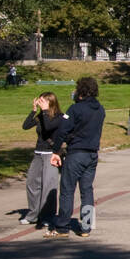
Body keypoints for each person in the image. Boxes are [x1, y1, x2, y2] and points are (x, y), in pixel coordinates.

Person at [46, 76, 105, 238]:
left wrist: (56, 151)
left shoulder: (75, 109)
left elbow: (63, 131)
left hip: (76, 153)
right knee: (87, 190)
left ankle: (62, 227)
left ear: (81, 91)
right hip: (92, 154)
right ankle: (86, 227)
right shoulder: (100, 109)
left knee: (67, 190)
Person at [20, 91, 62, 227]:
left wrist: (44, 111)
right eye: (40, 100)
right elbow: (25, 126)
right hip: (38, 153)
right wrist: (33, 111)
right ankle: (33, 214)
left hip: (51, 154)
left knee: (48, 185)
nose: (40, 103)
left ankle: (47, 216)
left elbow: (49, 127)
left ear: (51, 102)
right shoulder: (41, 115)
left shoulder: (59, 117)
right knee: (32, 183)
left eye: (43, 101)